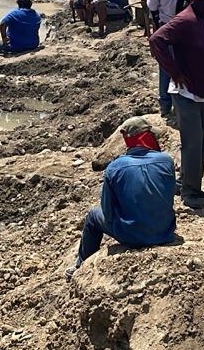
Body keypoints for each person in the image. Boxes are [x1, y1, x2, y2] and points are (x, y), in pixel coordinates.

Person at [149, 0, 204, 207]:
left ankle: (191, 184)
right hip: (186, 93)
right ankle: (190, 193)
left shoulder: (202, 19)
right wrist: (174, 71)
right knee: (193, 142)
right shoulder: (186, 19)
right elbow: (156, 40)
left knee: (203, 141)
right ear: (200, 2)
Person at [73, 116, 177, 274]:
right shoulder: (166, 161)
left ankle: (80, 266)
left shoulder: (115, 167)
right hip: (165, 232)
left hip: (132, 236)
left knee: (93, 216)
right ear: (145, 137)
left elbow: (107, 212)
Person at [146, 0, 196, 114]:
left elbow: (151, 5)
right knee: (185, 64)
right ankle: (181, 103)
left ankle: (165, 105)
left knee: (165, 65)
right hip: (186, 29)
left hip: (165, 27)